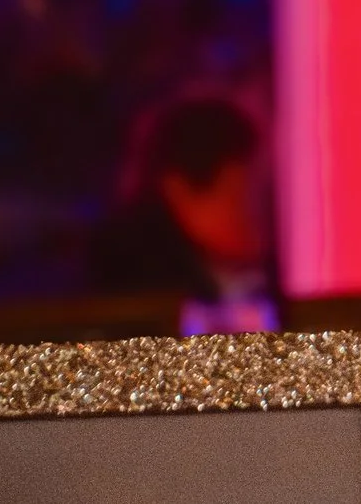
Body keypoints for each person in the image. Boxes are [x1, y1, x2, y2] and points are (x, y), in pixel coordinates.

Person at [89, 93, 277, 334]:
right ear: (180, 190)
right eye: (245, 196)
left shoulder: (268, 284)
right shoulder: (135, 301)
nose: (263, 214)